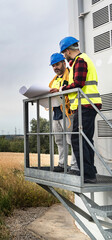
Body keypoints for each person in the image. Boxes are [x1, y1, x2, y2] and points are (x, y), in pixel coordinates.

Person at [59, 36, 102, 183]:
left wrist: (61, 89)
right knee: (85, 139)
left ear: (67, 51)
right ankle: (90, 172)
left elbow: (78, 83)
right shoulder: (80, 61)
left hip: (86, 105)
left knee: (78, 139)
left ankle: (87, 174)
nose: (63, 56)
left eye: (63, 53)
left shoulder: (80, 61)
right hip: (87, 105)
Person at [48, 53, 79, 173]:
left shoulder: (70, 74)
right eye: (53, 65)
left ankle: (75, 166)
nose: (55, 67)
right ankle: (62, 164)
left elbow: (73, 88)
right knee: (59, 141)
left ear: (64, 63)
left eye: (57, 64)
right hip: (56, 113)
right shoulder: (54, 80)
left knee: (71, 140)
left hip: (68, 112)